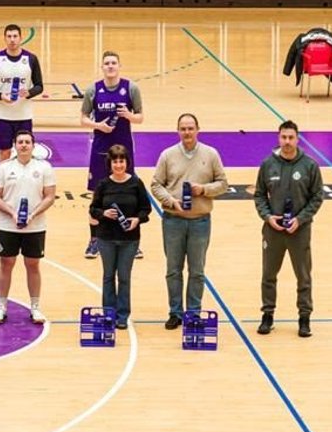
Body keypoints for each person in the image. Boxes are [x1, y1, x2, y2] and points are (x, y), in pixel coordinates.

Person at [149, 113, 228, 330]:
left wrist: (203, 189)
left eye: (190, 128)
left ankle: (193, 313)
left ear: (198, 130)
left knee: (197, 271)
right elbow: (156, 185)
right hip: (173, 220)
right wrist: (170, 201)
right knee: (173, 270)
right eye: (183, 129)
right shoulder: (167, 155)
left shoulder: (210, 154)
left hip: (200, 221)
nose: (187, 132)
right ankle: (175, 312)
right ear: (178, 131)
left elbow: (223, 184)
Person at [254, 120, 324, 338]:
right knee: (268, 275)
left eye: (291, 137)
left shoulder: (310, 165)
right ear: (278, 138)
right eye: (283, 137)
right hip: (273, 230)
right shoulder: (268, 164)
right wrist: (267, 216)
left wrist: (300, 219)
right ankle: (267, 315)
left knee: (303, 276)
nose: (287, 141)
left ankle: (304, 317)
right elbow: (259, 195)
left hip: (299, 231)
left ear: (297, 139)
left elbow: (317, 197)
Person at [80, 50, 144, 259]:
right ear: (102, 67)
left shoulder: (131, 88)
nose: (110, 66)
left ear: (119, 66)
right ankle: (94, 240)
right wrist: (98, 125)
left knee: (130, 194)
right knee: (96, 195)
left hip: (124, 150)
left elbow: (140, 117)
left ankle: (132, 240)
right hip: (101, 149)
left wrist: (129, 115)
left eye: (113, 63)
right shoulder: (93, 89)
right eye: (106, 63)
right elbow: (83, 118)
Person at [0, 130, 56, 325]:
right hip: (7, 225)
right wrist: (12, 213)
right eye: (20, 142)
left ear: (33, 145)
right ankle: (1, 306)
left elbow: (50, 196)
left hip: (35, 226)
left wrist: (32, 215)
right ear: (15, 145)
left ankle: (35, 307)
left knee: (33, 264)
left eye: (27, 142)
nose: (24, 145)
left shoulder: (44, 167)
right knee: (6, 263)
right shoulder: (4, 167)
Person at [89, 144, 151, 330]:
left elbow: (146, 209)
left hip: (129, 239)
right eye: (115, 161)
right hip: (106, 238)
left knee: (124, 277)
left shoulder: (136, 183)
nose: (118, 165)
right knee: (108, 276)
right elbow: (93, 209)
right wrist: (103, 214)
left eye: (121, 161)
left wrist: (137, 219)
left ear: (127, 163)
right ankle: (109, 313)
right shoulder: (103, 184)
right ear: (110, 164)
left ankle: (123, 315)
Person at [0, 23, 44, 162]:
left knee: (24, 152)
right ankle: (3, 176)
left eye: (15, 36)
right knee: (4, 152)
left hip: (24, 115)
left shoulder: (31, 59)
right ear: (4, 38)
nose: (12, 39)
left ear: (21, 38)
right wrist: (0, 96)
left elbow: (39, 86)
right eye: (9, 36)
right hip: (3, 115)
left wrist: (29, 92)